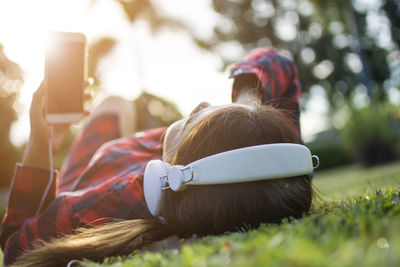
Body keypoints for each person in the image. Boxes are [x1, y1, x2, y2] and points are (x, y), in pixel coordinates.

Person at [0, 47, 311, 266]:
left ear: (169, 175)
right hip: (140, 155)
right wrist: (248, 107)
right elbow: (275, 62)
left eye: (194, 120)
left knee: (113, 104)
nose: (201, 104)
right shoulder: (269, 164)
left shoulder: (130, 195)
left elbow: (16, 248)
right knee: (117, 104)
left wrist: (43, 143)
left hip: (94, 176)